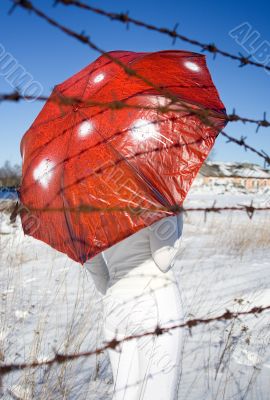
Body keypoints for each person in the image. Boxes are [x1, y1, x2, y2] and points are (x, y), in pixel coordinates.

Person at [84, 212, 184, 400]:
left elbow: (89, 255)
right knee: (157, 393)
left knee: (124, 394)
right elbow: (163, 259)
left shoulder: (97, 199)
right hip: (154, 301)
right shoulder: (155, 192)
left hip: (115, 307)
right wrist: (176, 212)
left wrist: (111, 288)